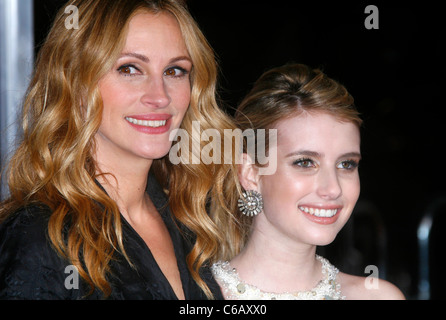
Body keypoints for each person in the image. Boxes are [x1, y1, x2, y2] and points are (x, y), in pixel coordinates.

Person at [0, 0, 234, 299]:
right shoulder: (41, 236)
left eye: (175, 71)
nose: (159, 96)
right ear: (77, 84)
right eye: (129, 68)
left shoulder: (192, 220)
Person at [211, 63, 405, 300]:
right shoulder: (194, 296)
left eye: (347, 164)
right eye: (305, 162)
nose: (333, 189)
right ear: (251, 173)